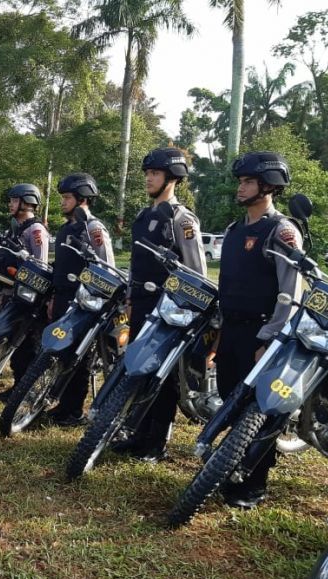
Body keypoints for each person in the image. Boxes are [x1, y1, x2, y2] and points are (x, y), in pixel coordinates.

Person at [216, 151, 301, 509]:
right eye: (240, 181)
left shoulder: (281, 231)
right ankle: (229, 468)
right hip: (232, 330)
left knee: (259, 412)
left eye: (248, 181)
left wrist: (270, 340)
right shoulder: (236, 231)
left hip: (261, 335)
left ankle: (254, 482)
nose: (241, 187)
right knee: (230, 400)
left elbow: (291, 293)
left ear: (268, 186)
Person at [114, 147, 206, 462]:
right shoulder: (144, 216)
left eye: (154, 174)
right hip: (140, 304)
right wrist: (128, 297)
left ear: (171, 178)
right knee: (138, 369)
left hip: (169, 311)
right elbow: (136, 265)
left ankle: (156, 443)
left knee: (162, 378)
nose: (149, 179)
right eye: (148, 174)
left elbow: (196, 271)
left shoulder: (182, 219)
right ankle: (137, 434)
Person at [46, 173, 114, 426]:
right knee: (62, 354)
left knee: (79, 357)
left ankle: (73, 410)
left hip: (84, 302)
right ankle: (62, 405)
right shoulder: (66, 227)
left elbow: (106, 267)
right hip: (63, 297)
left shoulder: (93, 228)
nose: (62, 203)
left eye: (67, 198)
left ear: (82, 199)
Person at [3, 183, 49, 396]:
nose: (11, 204)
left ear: (26, 202)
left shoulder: (36, 230)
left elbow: (40, 264)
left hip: (29, 295)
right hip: (14, 290)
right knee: (15, 343)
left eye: (14, 200)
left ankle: (24, 390)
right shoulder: (16, 226)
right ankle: (17, 385)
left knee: (26, 345)